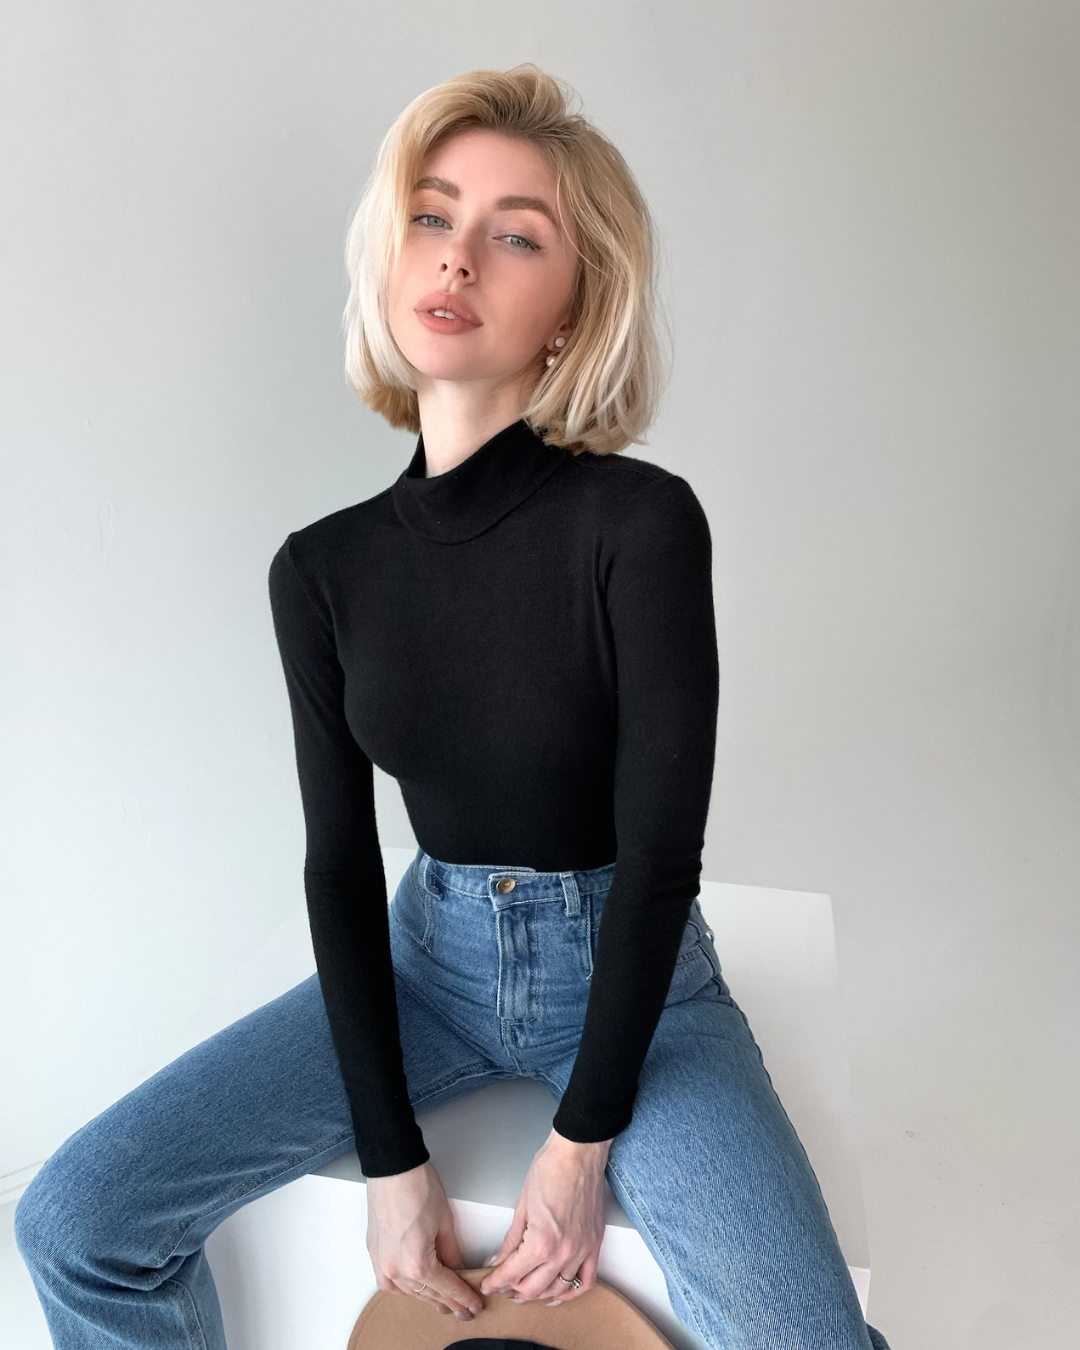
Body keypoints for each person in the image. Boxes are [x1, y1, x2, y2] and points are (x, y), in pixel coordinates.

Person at [15, 63, 891, 1350]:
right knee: (76, 1221)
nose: (458, 256)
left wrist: (579, 1146)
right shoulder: (322, 570)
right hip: (428, 968)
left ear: (575, 306)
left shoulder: (640, 525)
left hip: (635, 982)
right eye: (431, 216)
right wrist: (390, 1157)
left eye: (516, 235)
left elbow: (661, 857)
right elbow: (336, 863)